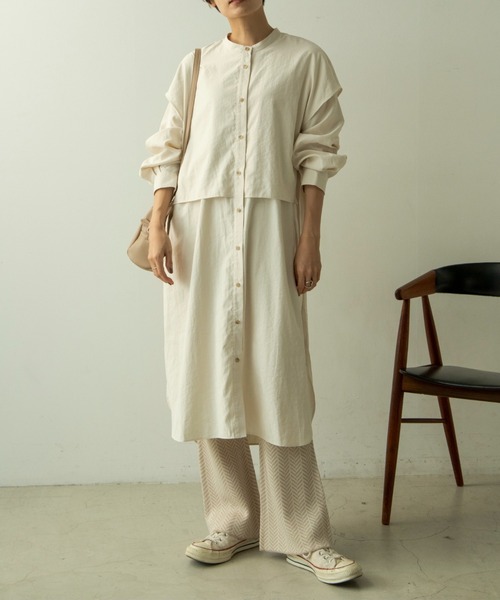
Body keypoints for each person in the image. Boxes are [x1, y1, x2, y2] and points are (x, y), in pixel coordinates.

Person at [139, 0, 362, 586]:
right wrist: (159, 225)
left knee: (278, 375)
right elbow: (168, 149)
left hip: (271, 228)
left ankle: (303, 535)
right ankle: (232, 522)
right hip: (199, 231)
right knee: (208, 370)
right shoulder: (195, 64)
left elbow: (318, 154)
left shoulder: (305, 59)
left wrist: (309, 237)